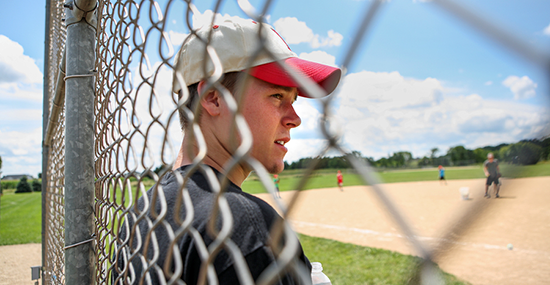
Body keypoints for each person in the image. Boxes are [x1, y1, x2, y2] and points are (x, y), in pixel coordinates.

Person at [114, 20, 341, 285]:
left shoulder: (143, 211)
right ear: (214, 97)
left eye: (293, 101)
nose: (295, 119)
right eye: (278, 96)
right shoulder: (243, 226)